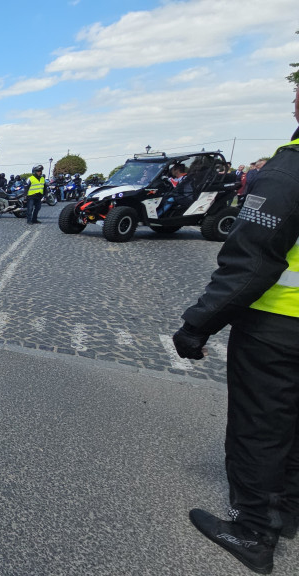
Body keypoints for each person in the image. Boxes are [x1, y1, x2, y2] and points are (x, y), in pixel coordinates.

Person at [172, 87, 299, 575]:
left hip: (279, 324)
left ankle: (254, 531)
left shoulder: (287, 172)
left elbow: (251, 260)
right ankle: (286, 510)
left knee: (261, 427)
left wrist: (198, 323)